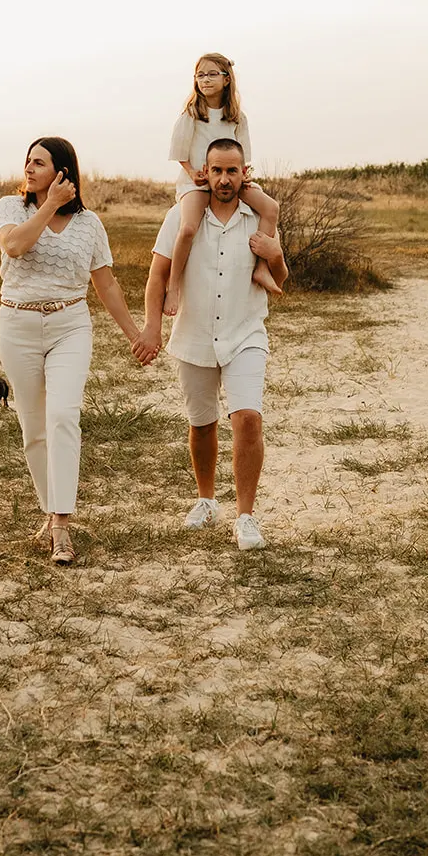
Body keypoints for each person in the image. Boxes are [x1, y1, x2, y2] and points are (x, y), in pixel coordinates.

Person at [0, 136, 155, 565]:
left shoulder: (90, 225)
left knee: (64, 415)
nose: (29, 169)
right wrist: (47, 205)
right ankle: (51, 513)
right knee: (34, 428)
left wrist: (134, 333)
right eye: (27, 161)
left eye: (39, 163)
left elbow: (105, 284)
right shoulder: (11, 209)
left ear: (62, 171)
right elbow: (14, 246)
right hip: (18, 324)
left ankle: (62, 525)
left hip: (70, 325)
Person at [142, 137, 288, 550]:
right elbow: (157, 276)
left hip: (246, 333)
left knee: (247, 419)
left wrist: (275, 254)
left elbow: (280, 279)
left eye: (233, 171)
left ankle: (245, 517)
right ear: (205, 172)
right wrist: (152, 326)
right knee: (202, 423)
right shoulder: (180, 216)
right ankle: (206, 501)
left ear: (245, 174)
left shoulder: (257, 218)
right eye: (218, 170)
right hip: (194, 334)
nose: (225, 179)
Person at [164, 52, 280, 317]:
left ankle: (261, 267)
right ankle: (173, 286)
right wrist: (192, 172)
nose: (205, 80)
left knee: (271, 208)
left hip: (230, 179)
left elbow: (244, 154)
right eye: (200, 75)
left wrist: (244, 174)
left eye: (212, 74)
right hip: (199, 181)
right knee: (188, 228)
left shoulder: (237, 117)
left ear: (227, 79)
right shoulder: (192, 114)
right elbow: (180, 151)